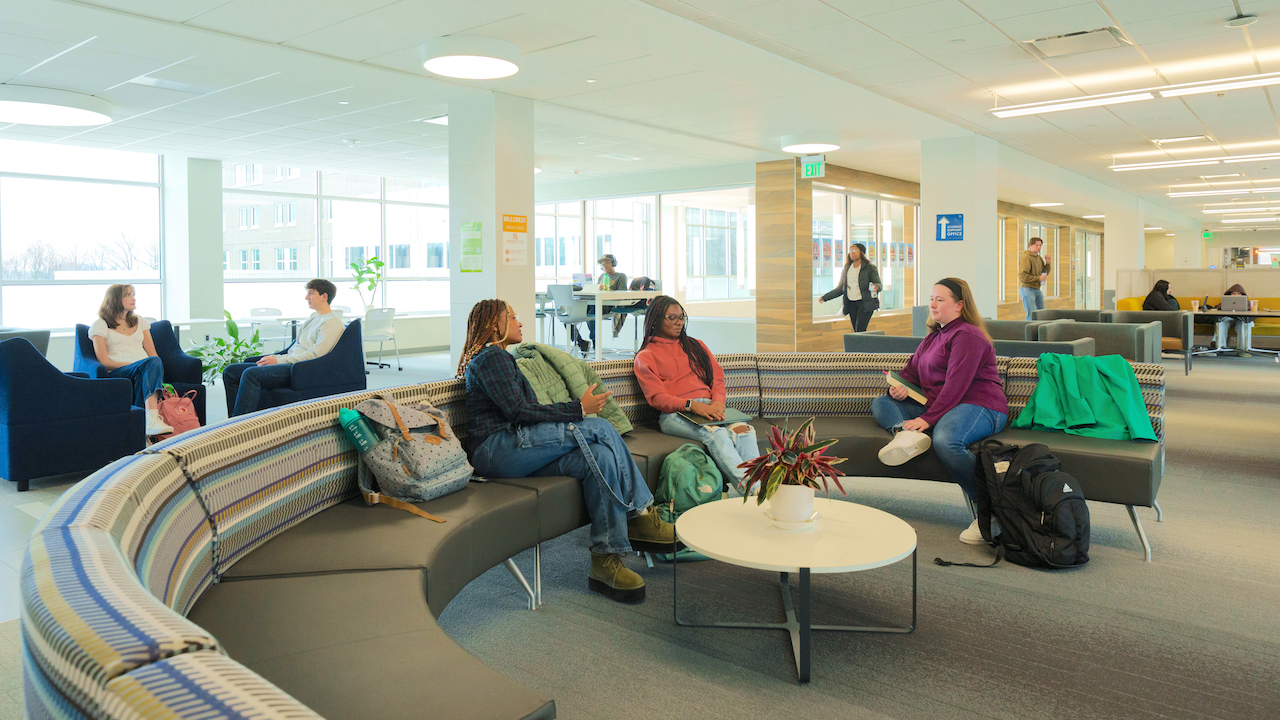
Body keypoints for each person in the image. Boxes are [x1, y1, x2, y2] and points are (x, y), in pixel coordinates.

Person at [459, 299, 674, 603]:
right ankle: (640, 512)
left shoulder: (499, 358)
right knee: (600, 428)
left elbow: (527, 410)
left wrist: (574, 410)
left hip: (515, 448)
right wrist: (578, 408)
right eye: (513, 317)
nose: (520, 322)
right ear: (496, 325)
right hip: (497, 449)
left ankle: (606, 560)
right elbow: (519, 411)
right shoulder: (492, 357)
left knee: (599, 456)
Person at [871, 278, 1009, 545]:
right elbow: (910, 374)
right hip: (942, 406)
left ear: (959, 305)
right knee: (881, 403)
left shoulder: (968, 335)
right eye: (931, 299)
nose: (932, 304)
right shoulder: (934, 336)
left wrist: (927, 419)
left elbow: (957, 385)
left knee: (946, 440)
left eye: (940, 300)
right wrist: (897, 389)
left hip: (980, 405)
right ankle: (906, 434)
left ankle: (990, 509)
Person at [634, 296, 761, 493]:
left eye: (681, 317)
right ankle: (753, 493)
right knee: (717, 434)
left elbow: (717, 377)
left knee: (744, 431)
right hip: (676, 414)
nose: (679, 323)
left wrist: (718, 401)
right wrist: (692, 405)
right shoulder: (645, 356)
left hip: (709, 407)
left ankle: (760, 487)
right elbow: (657, 398)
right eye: (672, 318)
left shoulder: (696, 346)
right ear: (656, 319)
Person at [223, 279, 345, 417]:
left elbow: (316, 355)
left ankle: (241, 424)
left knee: (251, 374)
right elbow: (293, 350)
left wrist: (278, 361)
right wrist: (275, 358)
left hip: (300, 369)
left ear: (324, 296)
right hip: (290, 363)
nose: (306, 297)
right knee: (230, 371)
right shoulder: (312, 320)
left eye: (311, 293)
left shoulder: (332, 322)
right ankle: (233, 419)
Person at [89, 284, 174, 436]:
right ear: (115, 299)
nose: (133, 298)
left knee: (151, 363)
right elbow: (104, 362)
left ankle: (143, 430)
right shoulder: (100, 325)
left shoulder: (140, 321)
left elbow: (153, 354)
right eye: (128, 295)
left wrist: (144, 368)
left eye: (133, 295)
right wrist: (137, 366)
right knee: (147, 366)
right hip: (119, 371)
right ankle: (151, 420)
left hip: (143, 369)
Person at [571, 254, 628, 355]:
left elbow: (622, 294)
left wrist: (608, 289)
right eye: (602, 265)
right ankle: (581, 342)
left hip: (607, 305)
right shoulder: (602, 276)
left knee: (593, 312)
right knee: (570, 313)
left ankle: (595, 342)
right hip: (595, 302)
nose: (604, 266)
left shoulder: (621, 276)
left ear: (613, 263)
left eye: (607, 264)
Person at [820, 242, 882, 332]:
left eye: (855, 250)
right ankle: (861, 342)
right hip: (851, 303)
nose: (852, 252)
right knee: (856, 331)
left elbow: (879, 284)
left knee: (860, 330)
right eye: (850, 250)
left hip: (865, 303)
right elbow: (840, 289)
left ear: (862, 253)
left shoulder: (870, 268)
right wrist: (825, 297)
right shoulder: (846, 269)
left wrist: (876, 287)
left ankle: (862, 342)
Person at [1018, 237, 1051, 321]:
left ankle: (1040, 329)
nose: (1039, 247)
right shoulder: (1026, 258)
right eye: (1036, 245)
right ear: (1030, 246)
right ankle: (1030, 329)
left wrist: (1047, 263)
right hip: (1027, 288)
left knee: (1041, 313)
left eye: (1040, 245)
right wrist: (1038, 278)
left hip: (1037, 288)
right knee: (1031, 314)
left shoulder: (1039, 258)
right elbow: (1022, 275)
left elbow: (1044, 272)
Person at [1214, 283, 1253, 352]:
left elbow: (1253, 312)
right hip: (1229, 319)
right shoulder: (1226, 301)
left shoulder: (1248, 302)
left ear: (1242, 295)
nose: (1236, 295)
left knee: (1243, 324)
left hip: (1242, 320)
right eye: (1234, 293)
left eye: (1238, 294)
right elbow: (1217, 308)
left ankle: (1243, 348)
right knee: (1222, 322)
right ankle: (1220, 346)